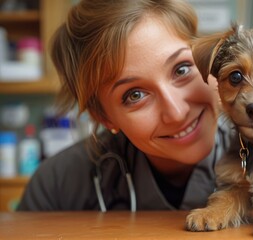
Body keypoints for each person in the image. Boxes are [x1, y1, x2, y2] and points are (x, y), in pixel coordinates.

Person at [17, 0, 232, 211]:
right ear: (103, 117)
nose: (176, 113)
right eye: (135, 95)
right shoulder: (54, 186)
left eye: (182, 69)